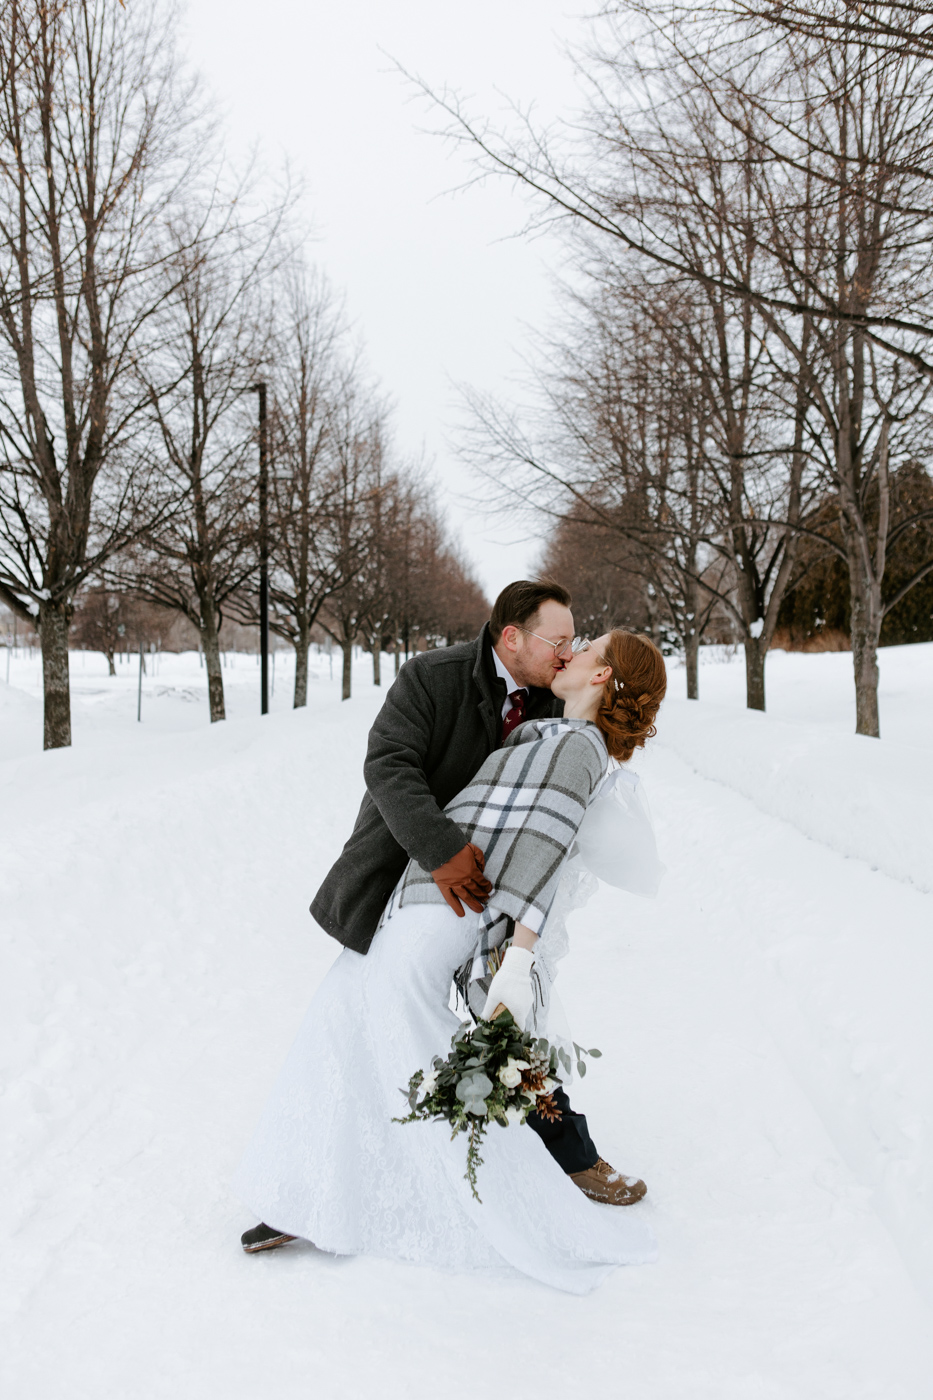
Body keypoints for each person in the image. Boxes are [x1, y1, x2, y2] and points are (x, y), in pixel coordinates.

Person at [234, 627, 668, 1294]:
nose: (572, 649)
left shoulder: (578, 748)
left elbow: (542, 854)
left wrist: (517, 959)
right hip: (419, 903)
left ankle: (463, 1196)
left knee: (401, 1049)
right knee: (344, 1023)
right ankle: (316, 1192)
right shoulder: (553, 734)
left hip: (443, 918)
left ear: (603, 676)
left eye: (586, 647)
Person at [311, 580, 631, 1197]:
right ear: (512, 637)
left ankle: (570, 1154)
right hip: (398, 873)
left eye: (575, 644)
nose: (568, 654)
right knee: (357, 1019)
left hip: (494, 893)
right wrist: (441, 851)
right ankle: (325, 1172)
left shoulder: (552, 700)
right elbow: (389, 763)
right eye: (557, 641)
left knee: (507, 1024)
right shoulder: (432, 677)